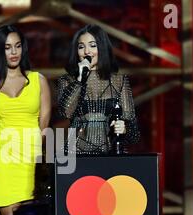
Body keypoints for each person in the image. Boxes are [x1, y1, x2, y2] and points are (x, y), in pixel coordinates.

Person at [0, 24, 51, 215]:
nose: (13, 52)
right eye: (7, 47)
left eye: (17, 46)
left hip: (30, 158)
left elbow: (44, 124)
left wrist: (42, 160)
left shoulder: (39, 80)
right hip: (1, 159)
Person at [57, 24, 140, 155]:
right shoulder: (67, 80)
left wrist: (124, 128)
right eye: (81, 47)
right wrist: (79, 79)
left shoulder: (119, 81)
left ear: (102, 48)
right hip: (76, 155)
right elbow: (65, 112)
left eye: (92, 45)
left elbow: (134, 134)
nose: (87, 52)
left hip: (110, 155)